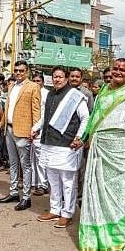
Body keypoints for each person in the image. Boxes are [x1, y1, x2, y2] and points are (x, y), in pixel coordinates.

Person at [78, 58, 125, 251]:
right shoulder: (103, 91)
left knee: (122, 197)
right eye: (116, 68)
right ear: (111, 71)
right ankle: (96, 238)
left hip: (124, 154)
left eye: (123, 69)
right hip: (99, 151)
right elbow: (94, 116)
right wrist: (85, 136)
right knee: (97, 194)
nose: (118, 71)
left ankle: (121, 239)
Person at [34, 66, 89, 228]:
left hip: (67, 144)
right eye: (54, 76)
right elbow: (45, 117)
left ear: (66, 78)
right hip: (49, 142)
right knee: (53, 180)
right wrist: (35, 128)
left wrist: (79, 138)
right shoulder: (50, 94)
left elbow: (86, 118)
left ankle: (67, 213)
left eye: (60, 77)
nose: (57, 79)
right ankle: (55, 209)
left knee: (68, 181)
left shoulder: (75, 96)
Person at [0, 60, 41, 211]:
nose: (19, 73)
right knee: (13, 163)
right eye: (16, 70)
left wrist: (34, 129)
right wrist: (1, 124)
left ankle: (27, 197)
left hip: (23, 131)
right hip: (8, 130)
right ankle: (13, 192)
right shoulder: (12, 86)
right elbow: (8, 108)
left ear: (27, 71)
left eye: (22, 70)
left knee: (25, 166)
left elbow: (36, 111)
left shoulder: (33, 87)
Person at [30, 72, 49, 196]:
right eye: (35, 81)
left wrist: (37, 128)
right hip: (29, 129)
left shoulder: (47, 94)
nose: (37, 83)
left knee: (41, 159)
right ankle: (34, 182)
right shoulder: (31, 91)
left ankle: (43, 184)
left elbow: (45, 115)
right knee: (32, 158)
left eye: (39, 81)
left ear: (42, 82)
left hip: (40, 129)